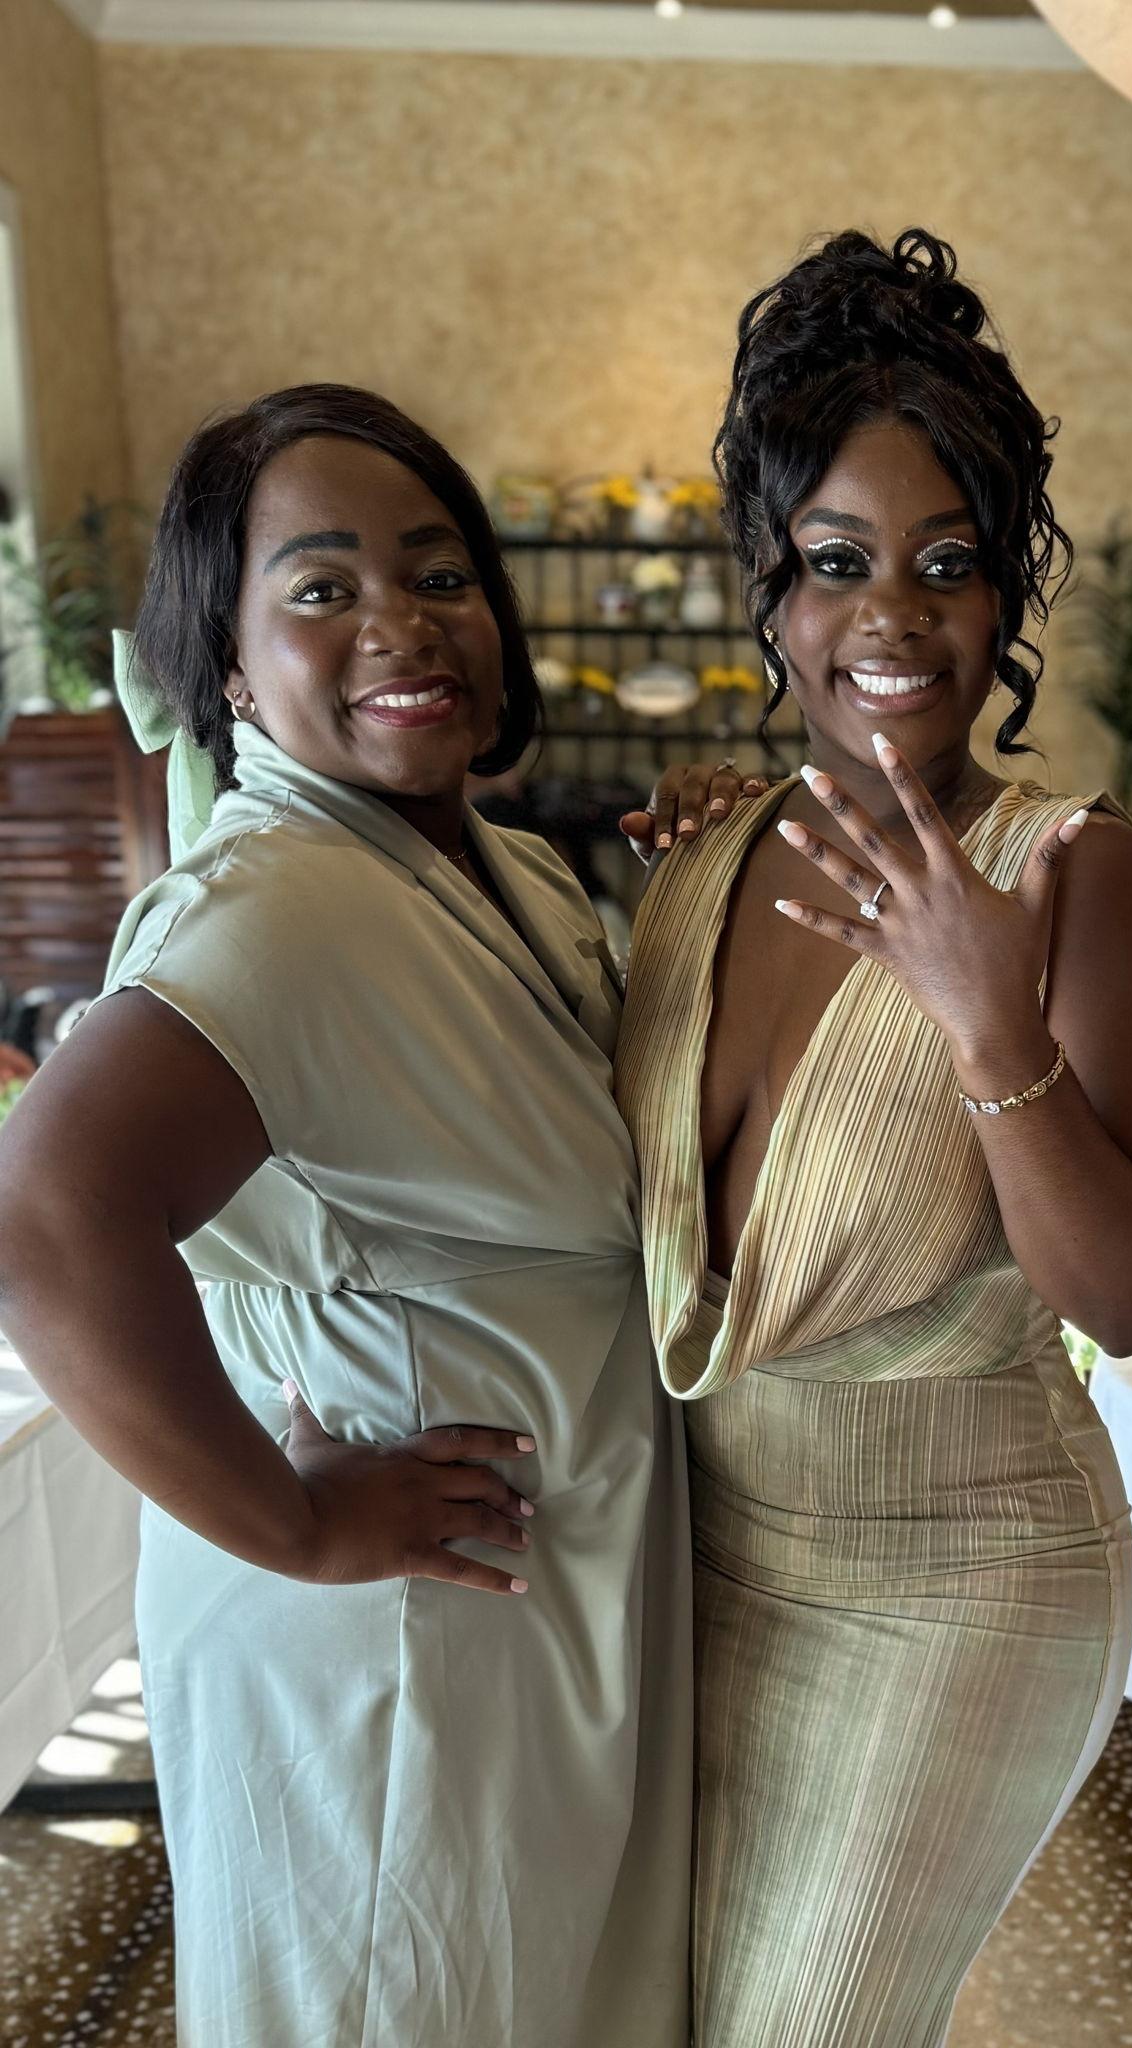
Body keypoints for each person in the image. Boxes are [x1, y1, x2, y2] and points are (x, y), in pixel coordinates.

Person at [0, 386, 680, 2046]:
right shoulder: (274, 906)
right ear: (230, 664)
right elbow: (45, 1219)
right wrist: (290, 1524)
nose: (401, 621)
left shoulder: (504, 871)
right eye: (321, 587)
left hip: (523, 1611)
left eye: (439, 574)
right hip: (391, 1642)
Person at [614, 227, 1132, 2046]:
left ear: (1005, 592)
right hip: (702, 1555)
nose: (891, 616)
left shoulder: (1078, 877)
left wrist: (988, 1024)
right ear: (768, 588)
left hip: (961, 1578)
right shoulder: (701, 861)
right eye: (835, 561)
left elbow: (1125, 1295)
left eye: (948, 564)